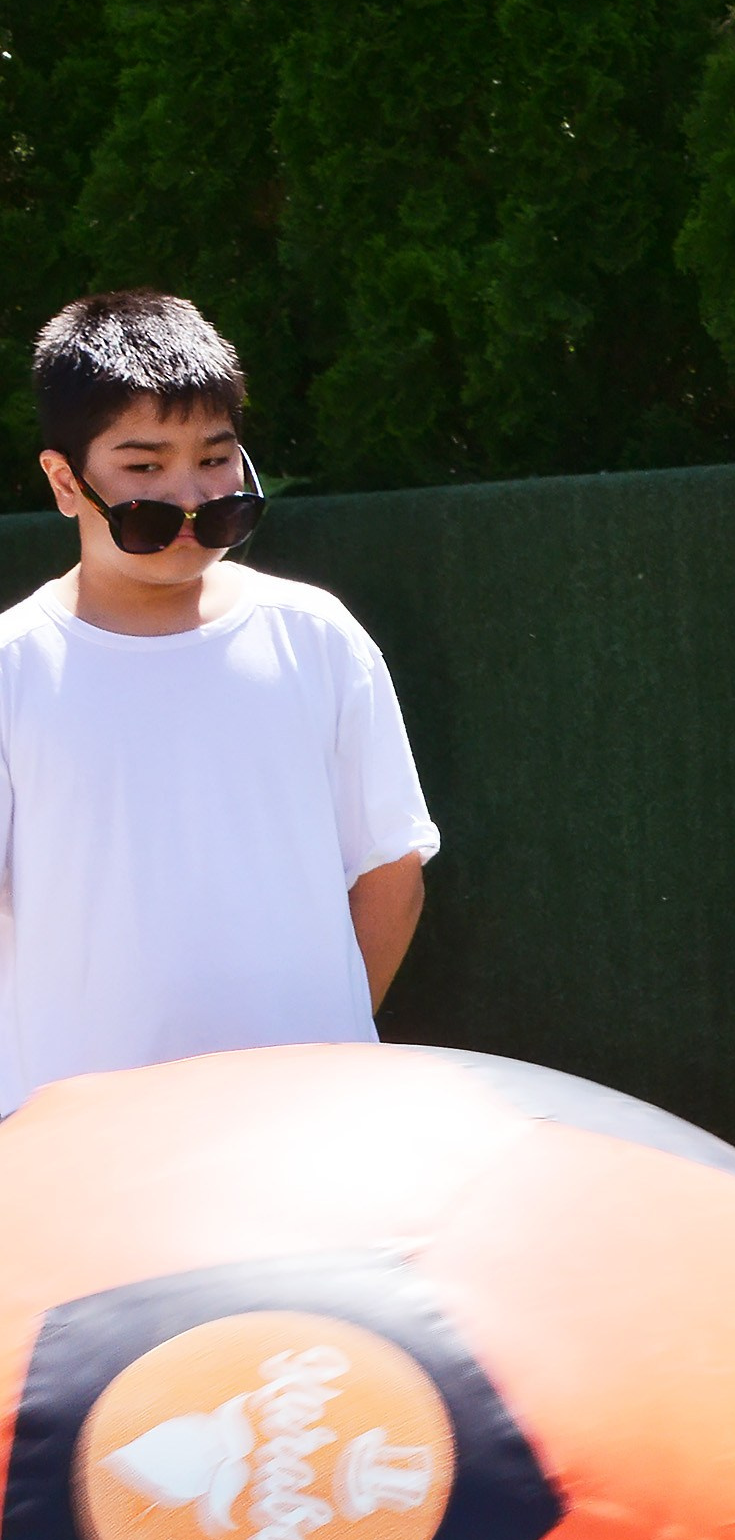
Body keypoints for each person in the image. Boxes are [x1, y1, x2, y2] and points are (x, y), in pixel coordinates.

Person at [0, 290, 437, 1113]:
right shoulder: (14, 668)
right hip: (79, 1154)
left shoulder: (317, 636)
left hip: (304, 1131)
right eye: (142, 467)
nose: (191, 495)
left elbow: (390, 870)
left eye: (215, 457)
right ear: (64, 481)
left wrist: (320, 1053)